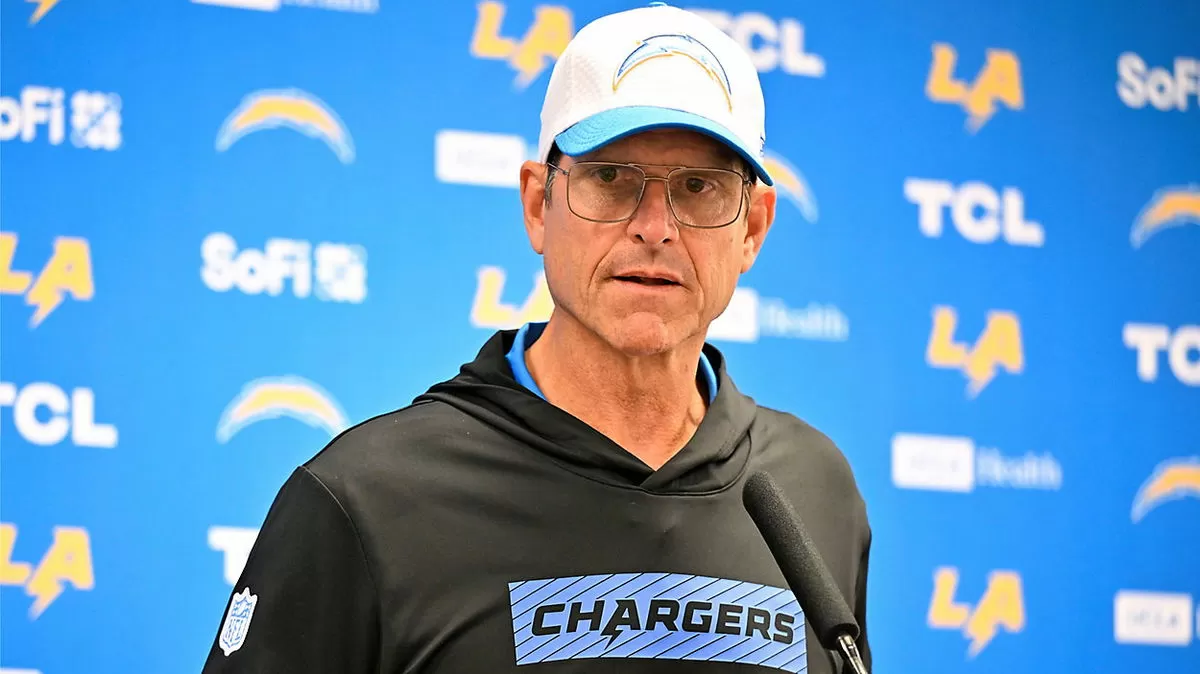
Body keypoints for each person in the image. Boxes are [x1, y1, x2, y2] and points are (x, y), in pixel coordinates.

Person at [200, 3, 872, 672]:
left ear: (752, 228)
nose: (656, 227)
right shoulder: (366, 498)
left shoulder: (814, 488)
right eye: (611, 178)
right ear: (537, 206)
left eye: (699, 187)